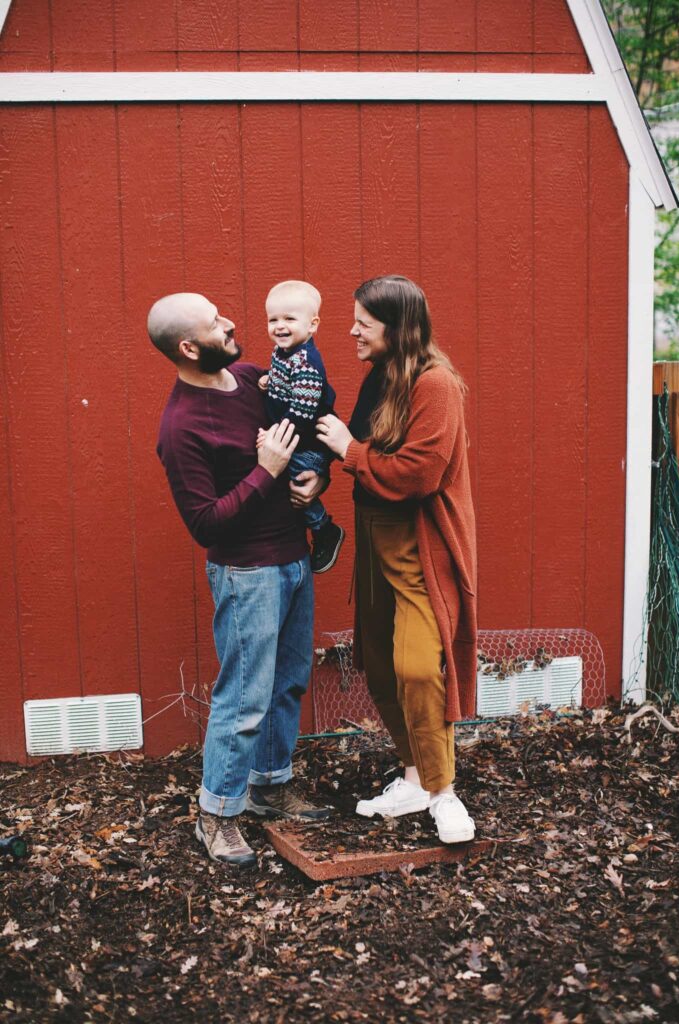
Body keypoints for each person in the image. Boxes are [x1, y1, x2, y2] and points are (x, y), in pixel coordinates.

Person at [148, 292, 330, 868]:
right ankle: (218, 814)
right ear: (188, 346)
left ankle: (270, 786)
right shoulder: (181, 427)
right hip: (247, 571)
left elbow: (310, 416)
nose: (230, 322)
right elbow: (205, 524)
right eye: (214, 323)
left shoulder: (252, 380)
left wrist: (316, 477)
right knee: (244, 698)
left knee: (288, 683)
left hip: (293, 559)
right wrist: (266, 471)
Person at [316, 275, 478, 844]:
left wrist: (350, 452)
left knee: (416, 665)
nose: (352, 330)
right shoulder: (380, 377)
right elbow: (356, 453)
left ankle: (444, 794)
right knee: (381, 665)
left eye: (363, 321)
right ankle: (413, 778)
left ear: (397, 326)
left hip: (418, 543)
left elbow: (418, 473)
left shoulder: (436, 385)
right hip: (374, 535)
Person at [257, 280, 345, 573]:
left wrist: (275, 435)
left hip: (308, 442)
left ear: (312, 325)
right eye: (273, 319)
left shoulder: (306, 362)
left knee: (293, 478)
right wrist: (271, 380)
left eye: (289, 319)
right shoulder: (284, 351)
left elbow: (301, 413)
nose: (279, 326)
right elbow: (287, 382)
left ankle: (324, 528)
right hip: (296, 434)